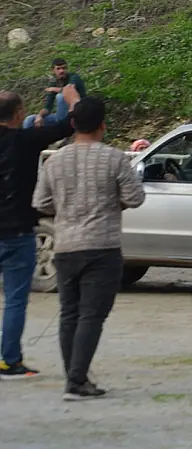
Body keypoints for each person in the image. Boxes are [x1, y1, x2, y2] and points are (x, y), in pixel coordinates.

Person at [33, 97, 145, 401]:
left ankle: (74, 377)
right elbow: (135, 198)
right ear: (103, 125)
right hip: (102, 246)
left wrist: (66, 208)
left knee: (69, 313)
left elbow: (41, 203)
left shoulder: (54, 160)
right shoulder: (114, 159)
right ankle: (77, 381)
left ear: (72, 124)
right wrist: (113, 202)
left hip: (66, 245)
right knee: (92, 315)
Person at [0, 85, 81, 380]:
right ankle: (8, 360)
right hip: (17, 230)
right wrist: (73, 102)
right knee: (15, 300)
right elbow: (65, 126)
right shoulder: (25, 141)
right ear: (20, 114)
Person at [23, 58, 85, 130]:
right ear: (53, 71)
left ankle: (63, 131)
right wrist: (39, 116)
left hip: (78, 116)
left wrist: (54, 89)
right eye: (58, 69)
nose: (61, 71)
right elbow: (48, 108)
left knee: (60, 96)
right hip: (61, 117)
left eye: (64, 68)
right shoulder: (54, 83)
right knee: (30, 120)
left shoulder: (74, 77)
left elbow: (69, 90)